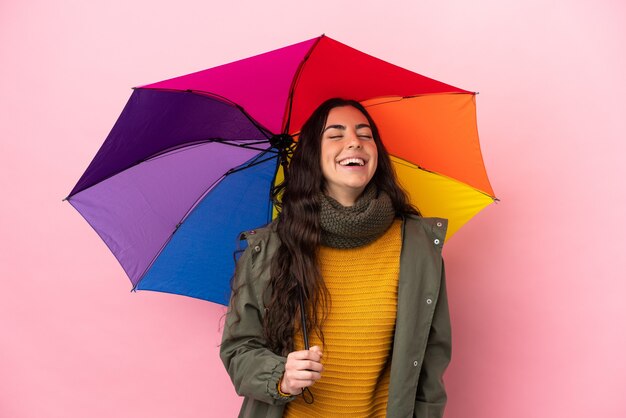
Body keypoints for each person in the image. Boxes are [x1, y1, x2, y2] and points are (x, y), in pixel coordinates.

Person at [220, 98, 451, 418]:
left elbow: (430, 362)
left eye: (365, 134)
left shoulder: (416, 246)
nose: (354, 141)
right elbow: (238, 350)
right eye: (336, 134)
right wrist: (281, 376)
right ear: (313, 155)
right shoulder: (272, 246)